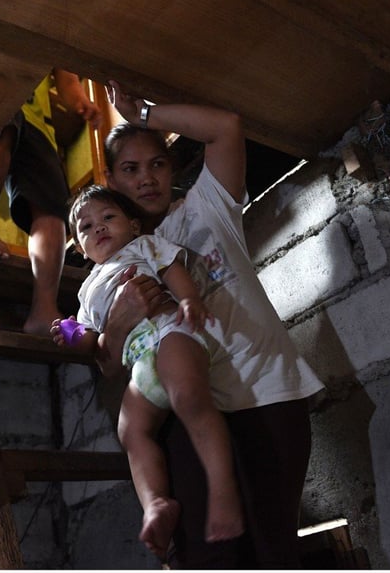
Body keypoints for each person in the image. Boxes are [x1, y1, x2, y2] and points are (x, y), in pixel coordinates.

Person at [96, 80, 327, 568]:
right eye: (130, 170)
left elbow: (226, 128)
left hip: (265, 393)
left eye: (156, 163)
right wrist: (119, 324)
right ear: (113, 183)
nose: (147, 178)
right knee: (208, 557)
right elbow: (109, 365)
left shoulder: (208, 207)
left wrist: (143, 115)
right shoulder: (112, 261)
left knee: (274, 549)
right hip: (188, 412)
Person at [51, 184, 245, 558]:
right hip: (140, 360)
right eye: (86, 228)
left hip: (172, 332)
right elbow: (94, 342)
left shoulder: (142, 248)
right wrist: (72, 335)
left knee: (188, 395)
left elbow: (172, 270)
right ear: (79, 249)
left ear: (134, 225)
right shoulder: (87, 291)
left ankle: (223, 489)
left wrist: (188, 299)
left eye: (108, 217)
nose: (99, 228)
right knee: (131, 430)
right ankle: (156, 503)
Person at [0, 68, 100, 335]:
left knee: (53, 208)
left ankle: (44, 309)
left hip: (39, 125)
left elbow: (67, 79)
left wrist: (81, 102)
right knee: (0, 137)